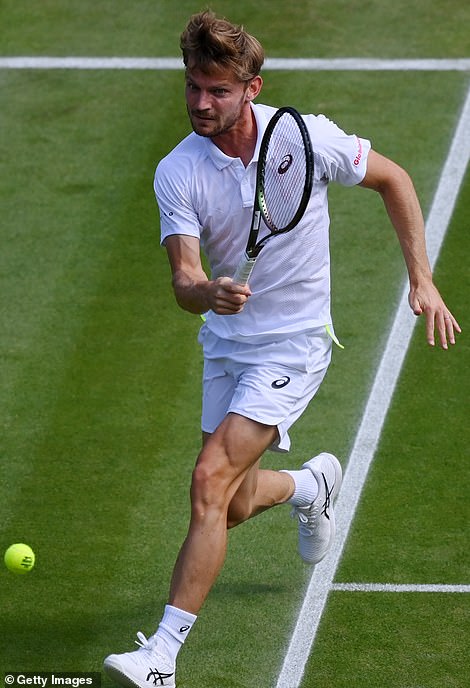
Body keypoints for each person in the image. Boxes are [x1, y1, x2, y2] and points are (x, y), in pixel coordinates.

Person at [103, 10, 461, 688]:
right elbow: (183, 278)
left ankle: (161, 658)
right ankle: (311, 484)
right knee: (231, 505)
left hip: (294, 345)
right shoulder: (176, 172)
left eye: (216, 90)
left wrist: (422, 279)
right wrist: (207, 292)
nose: (200, 103)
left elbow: (396, 180)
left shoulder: (304, 140)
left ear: (251, 89)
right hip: (228, 343)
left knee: (208, 479)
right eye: (192, 87)